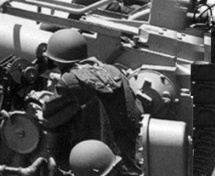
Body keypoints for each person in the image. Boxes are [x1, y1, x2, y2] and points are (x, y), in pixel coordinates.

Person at [41, 29, 143, 175]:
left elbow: (50, 116)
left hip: (96, 159)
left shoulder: (70, 81)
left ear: (59, 61)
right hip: (128, 155)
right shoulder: (112, 70)